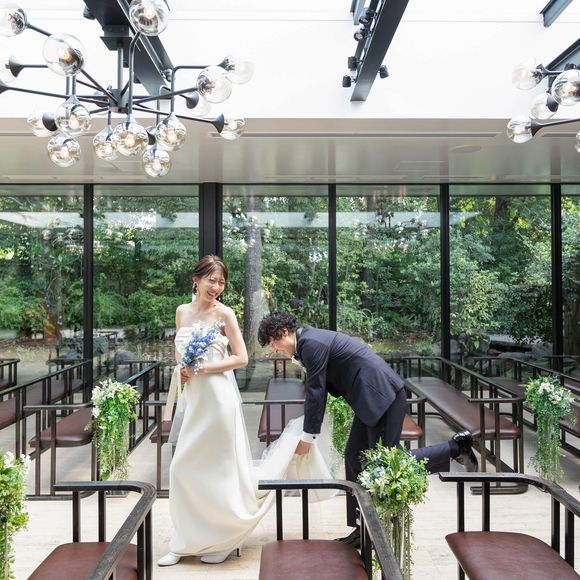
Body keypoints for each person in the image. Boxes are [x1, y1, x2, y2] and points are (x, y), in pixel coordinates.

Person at [158, 257, 334, 567]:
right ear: (196, 279)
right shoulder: (181, 311)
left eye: (221, 282)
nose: (216, 287)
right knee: (183, 469)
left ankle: (222, 539)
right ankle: (184, 541)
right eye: (211, 280)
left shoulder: (225, 314)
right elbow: (179, 351)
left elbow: (241, 358)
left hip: (219, 400)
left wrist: (203, 368)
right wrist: (182, 368)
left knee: (219, 470)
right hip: (195, 399)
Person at [258, 311, 478, 548]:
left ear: (284, 332)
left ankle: (454, 448)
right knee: (354, 456)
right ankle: (361, 527)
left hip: (383, 397)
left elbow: (316, 392)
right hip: (370, 401)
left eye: (273, 343)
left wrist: (308, 438)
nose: (274, 349)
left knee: (384, 467)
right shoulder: (309, 342)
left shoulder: (311, 343)